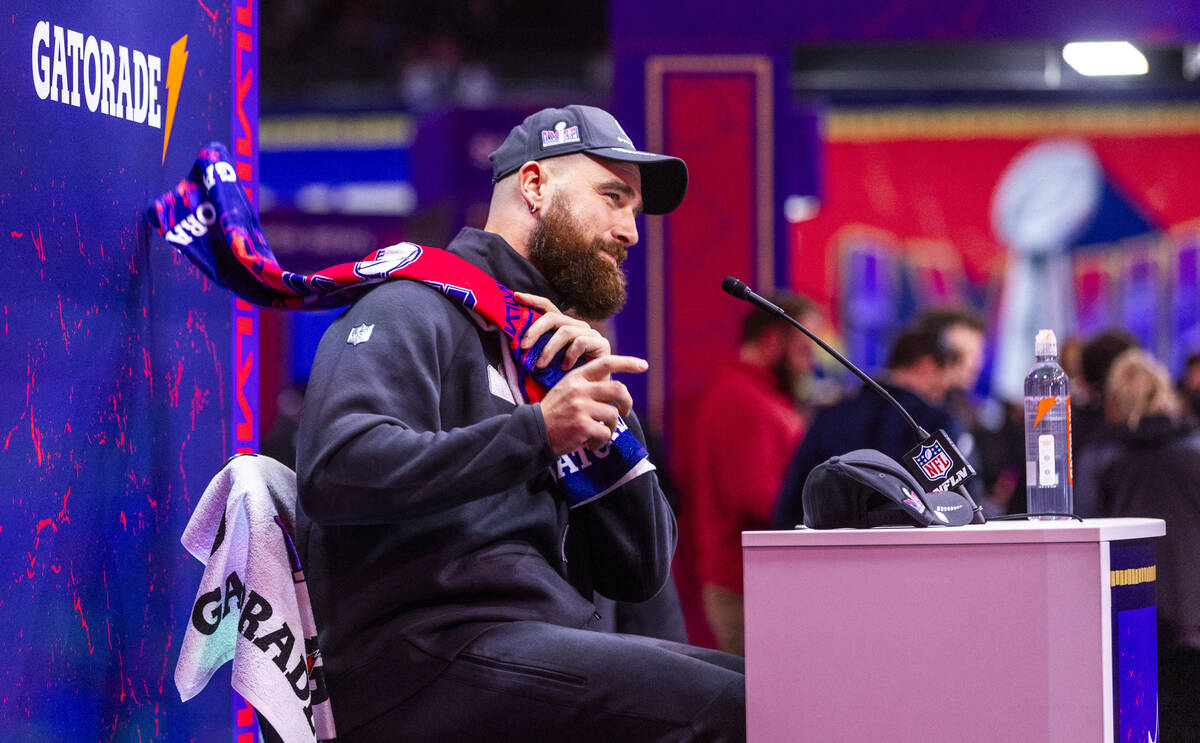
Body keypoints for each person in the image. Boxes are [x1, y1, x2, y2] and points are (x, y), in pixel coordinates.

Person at [294, 105, 745, 742]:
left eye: (635, 213)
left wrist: (607, 428)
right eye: (613, 197)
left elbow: (639, 572)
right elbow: (336, 468)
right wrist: (538, 431)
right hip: (425, 657)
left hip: (538, 645)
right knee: (743, 710)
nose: (631, 232)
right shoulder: (410, 304)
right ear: (534, 186)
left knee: (779, 692)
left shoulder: (549, 355)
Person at [688, 292, 817, 655]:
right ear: (775, 341)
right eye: (805, 351)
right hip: (746, 585)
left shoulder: (752, 394)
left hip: (752, 580)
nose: (809, 365)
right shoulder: (745, 401)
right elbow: (764, 501)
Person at [1096, 349, 1200, 740]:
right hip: (1193, 619)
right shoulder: (1194, 450)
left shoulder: (1099, 456)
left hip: (1127, 617)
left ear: (1113, 400)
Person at [773, 325, 959, 529]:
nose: (945, 390)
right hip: (909, 555)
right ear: (928, 366)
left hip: (824, 554)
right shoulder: (935, 423)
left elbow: (788, 507)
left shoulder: (829, 416)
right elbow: (955, 510)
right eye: (944, 381)